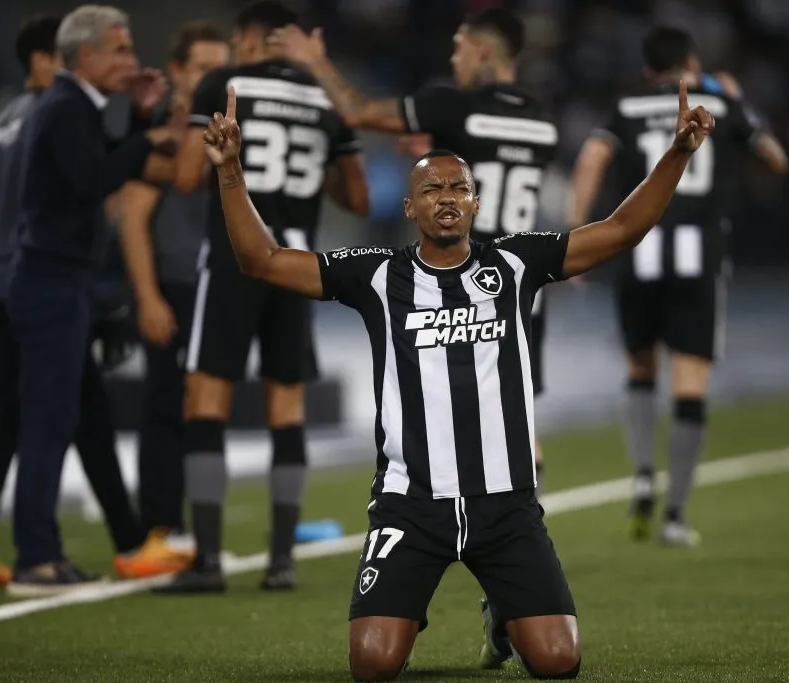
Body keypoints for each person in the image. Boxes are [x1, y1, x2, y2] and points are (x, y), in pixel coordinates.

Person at [201, 78, 714, 680]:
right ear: (410, 207)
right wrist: (231, 172)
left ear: (475, 202)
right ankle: (465, 605)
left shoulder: (517, 263)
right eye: (431, 188)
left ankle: (503, 614)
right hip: (410, 505)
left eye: (459, 187)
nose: (447, 196)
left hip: (506, 505)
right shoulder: (374, 274)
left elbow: (622, 229)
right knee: (372, 664)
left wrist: (677, 154)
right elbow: (259, 260)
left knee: (558, 661)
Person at [271, 8, 558, 493]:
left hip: (463, 279)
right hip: (524, 284)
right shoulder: (541, 122)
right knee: (513, 417)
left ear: (482, 50)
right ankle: (519, 518)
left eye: (459, 49)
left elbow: (358, 111)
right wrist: (436, 148)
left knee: (437, 414)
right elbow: (486, 151)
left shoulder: (451, 106)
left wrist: (316, 62)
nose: (455, 60)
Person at [0, 13, 190, 591]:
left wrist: (135, 121)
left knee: (78, 416)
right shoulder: (63, 106)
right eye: (119, 50)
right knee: (47, 421)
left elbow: (92, 163)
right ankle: (36, 556)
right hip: (49, 281)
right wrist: (145, 139)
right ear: (82, 56)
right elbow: (92, 179)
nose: (131, 62)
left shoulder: (64, 106)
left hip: (52, 282)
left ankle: (117, 543)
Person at [153, 0, 368, 595]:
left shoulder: (224, 83)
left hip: (234, 253)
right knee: (287, 405)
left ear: (247, 40)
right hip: (297, 258)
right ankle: (280, 562)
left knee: (206, 397)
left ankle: (209, 562)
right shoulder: (325, 97)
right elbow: (356, 197)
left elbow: (190, 178)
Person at [568, 26, 788, 547]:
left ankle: (643, 475)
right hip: (699, 256)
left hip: (638, 251)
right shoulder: (720, 100)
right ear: (692, 60)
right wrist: (736, 102)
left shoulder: (626, 106)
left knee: (641, 369)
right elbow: (777, 159)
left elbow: (591, 159)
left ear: (648, 70)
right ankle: (676, 515)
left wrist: (576, 237)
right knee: (690, 381)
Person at [118, 21, 229, 543]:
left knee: (200, 407)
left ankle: (189, 525)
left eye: (221, 66)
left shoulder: (224, 130)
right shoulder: (160, 134)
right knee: (166, 404)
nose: (215, 75)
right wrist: (147, 297)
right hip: (175, 283)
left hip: (214, 284)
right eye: (204, 66)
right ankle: (160, 525)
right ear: (179, 71)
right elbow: (132, 220)